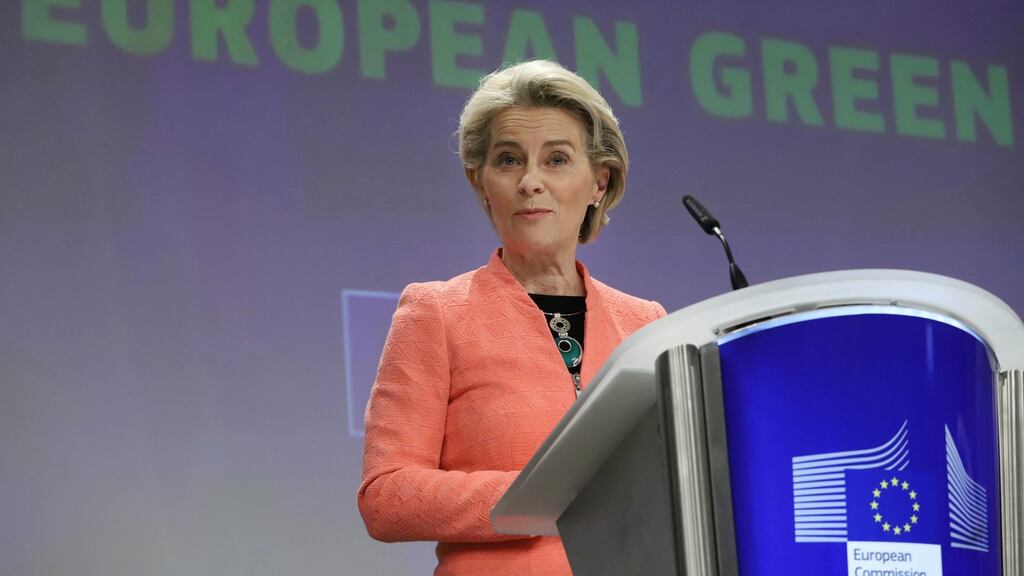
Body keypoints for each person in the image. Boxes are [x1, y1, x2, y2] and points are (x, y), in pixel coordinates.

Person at [358, 59, 666, 575]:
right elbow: (385, 497)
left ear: (598, 181)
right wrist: (541, 494)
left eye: (557, 159)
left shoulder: (646, 324)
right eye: (508, 161)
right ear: (481, 183)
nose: (530, 182)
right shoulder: (436, 313)